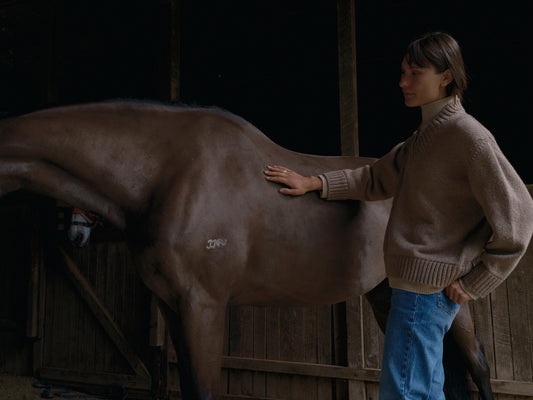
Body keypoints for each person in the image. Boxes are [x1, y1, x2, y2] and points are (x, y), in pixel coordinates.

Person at [264, 32, 533, 399]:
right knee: (423, 390)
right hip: (415, 289)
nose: (402, 82)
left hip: (426, 293)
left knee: (405, 393)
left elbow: (519, 212)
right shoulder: (426, 137)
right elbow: (375, 178)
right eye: (403, 72)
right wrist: (314, 182)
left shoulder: (469, 136)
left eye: (415, 73)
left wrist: (478, 282)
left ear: (446, 77)